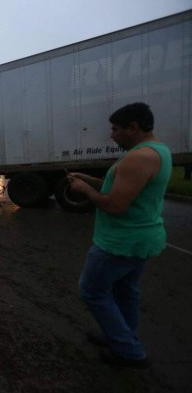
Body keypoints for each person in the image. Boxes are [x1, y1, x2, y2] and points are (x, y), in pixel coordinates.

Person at [68, 102, 172, 369]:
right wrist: (89, 179)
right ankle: (120, 334)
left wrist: (84, 190)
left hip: (121, 241)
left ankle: (128, 351)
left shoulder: (139, 157)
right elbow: (121, 189)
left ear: (133, 127)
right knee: (125, 291)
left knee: (91, 291)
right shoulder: (156, 151)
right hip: (139, 238)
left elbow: (114, 205)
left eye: (116, 129)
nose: (112, 135)